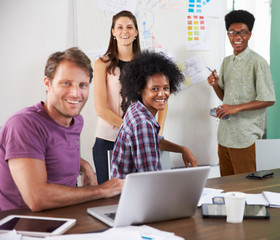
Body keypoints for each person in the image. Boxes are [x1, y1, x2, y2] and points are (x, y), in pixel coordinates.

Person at [0, 47, 124, 211]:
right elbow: (37, 198)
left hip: (68, 214)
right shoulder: (24, 124)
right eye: (66, 83)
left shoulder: (76, 121)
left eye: (82, 85)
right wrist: (103, 189)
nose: (75, 93)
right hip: (23, 226)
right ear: (47, 83)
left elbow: (53, 151)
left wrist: (84, 165)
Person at [92, 11, 169, 184]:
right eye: (119, 27)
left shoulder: (148, 64)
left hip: (142, 140)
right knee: (109, 197)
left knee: (143, 192)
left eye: (129, 27)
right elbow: (100, 109)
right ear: (113, 32)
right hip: (108, 140)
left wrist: (158, 131)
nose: (124, 31)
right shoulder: (102, 64)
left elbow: (162, 99)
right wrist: (131, 128)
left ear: (136, 32)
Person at [207, 10, 275, 176]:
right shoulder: (227, 62)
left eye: (242, 32)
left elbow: (268, 99)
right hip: (224, 136)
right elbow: (225, 97)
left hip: (245, 137)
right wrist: (215, 85)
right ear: (228, 34)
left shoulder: (258, 62)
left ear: (249, 34)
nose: (237, 37)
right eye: (232, 32)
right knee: (227, 185)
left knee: (246, 187)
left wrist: (236, 108)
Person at [111, 50, 198, 179]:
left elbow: (153, 140)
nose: (162, 94)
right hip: (133, 195)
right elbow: (151, 179)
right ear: (140, 88)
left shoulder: (136, 108)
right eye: (155, 89)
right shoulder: (143, 124)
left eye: (166, 88)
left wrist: (182, 149)